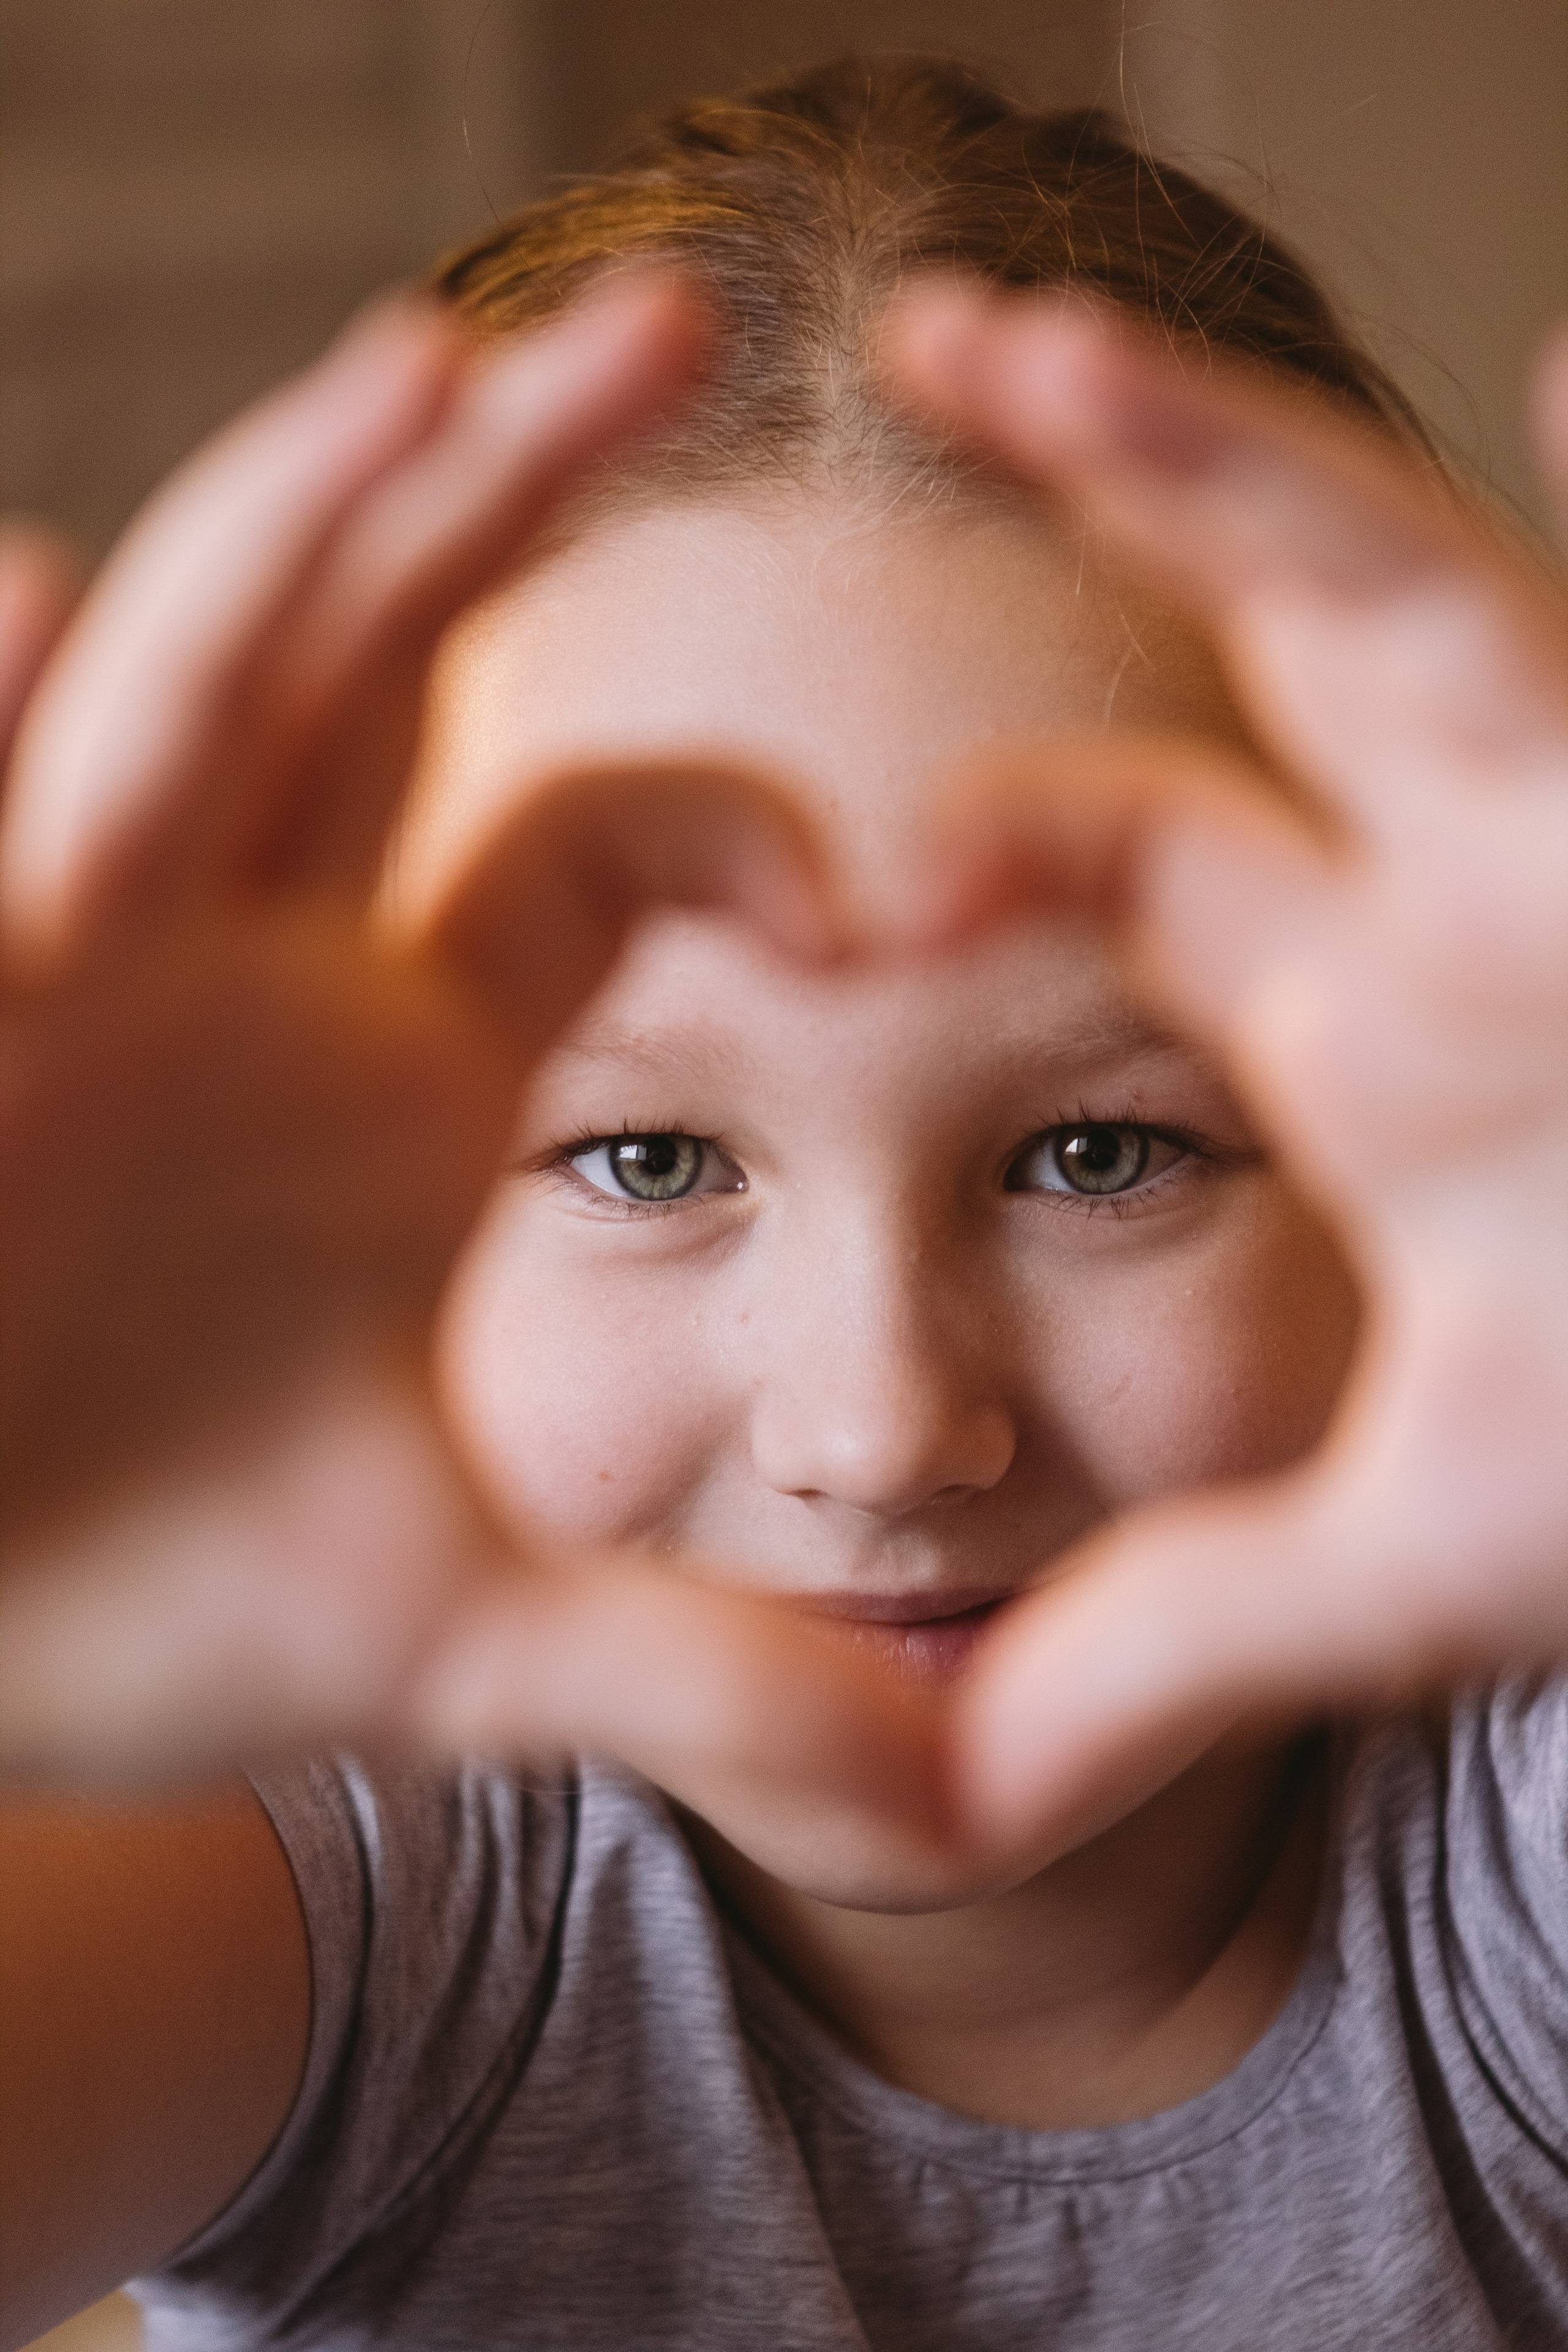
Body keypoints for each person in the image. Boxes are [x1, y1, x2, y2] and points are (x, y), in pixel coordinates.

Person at [2, 54, 1566, 2351]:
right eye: (649, 1159)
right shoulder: (369, 1860)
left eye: (1098, 1153)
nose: (883, 1425)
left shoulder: (1498, 1848)